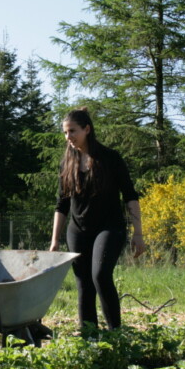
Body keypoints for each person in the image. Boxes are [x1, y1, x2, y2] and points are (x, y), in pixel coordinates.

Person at [49, 108, 145, 332]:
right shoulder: (66, 163)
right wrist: (55, 240)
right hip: (78, 230)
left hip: (109, 227)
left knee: (100, 275)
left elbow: (130, 196)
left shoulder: (110, 158)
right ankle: (89, 338)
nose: (68, 137)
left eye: (72, 131)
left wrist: (138, 233)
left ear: (87, 129)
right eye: (65, 132)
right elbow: (61, 204)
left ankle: (115, 335)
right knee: (83, 283)